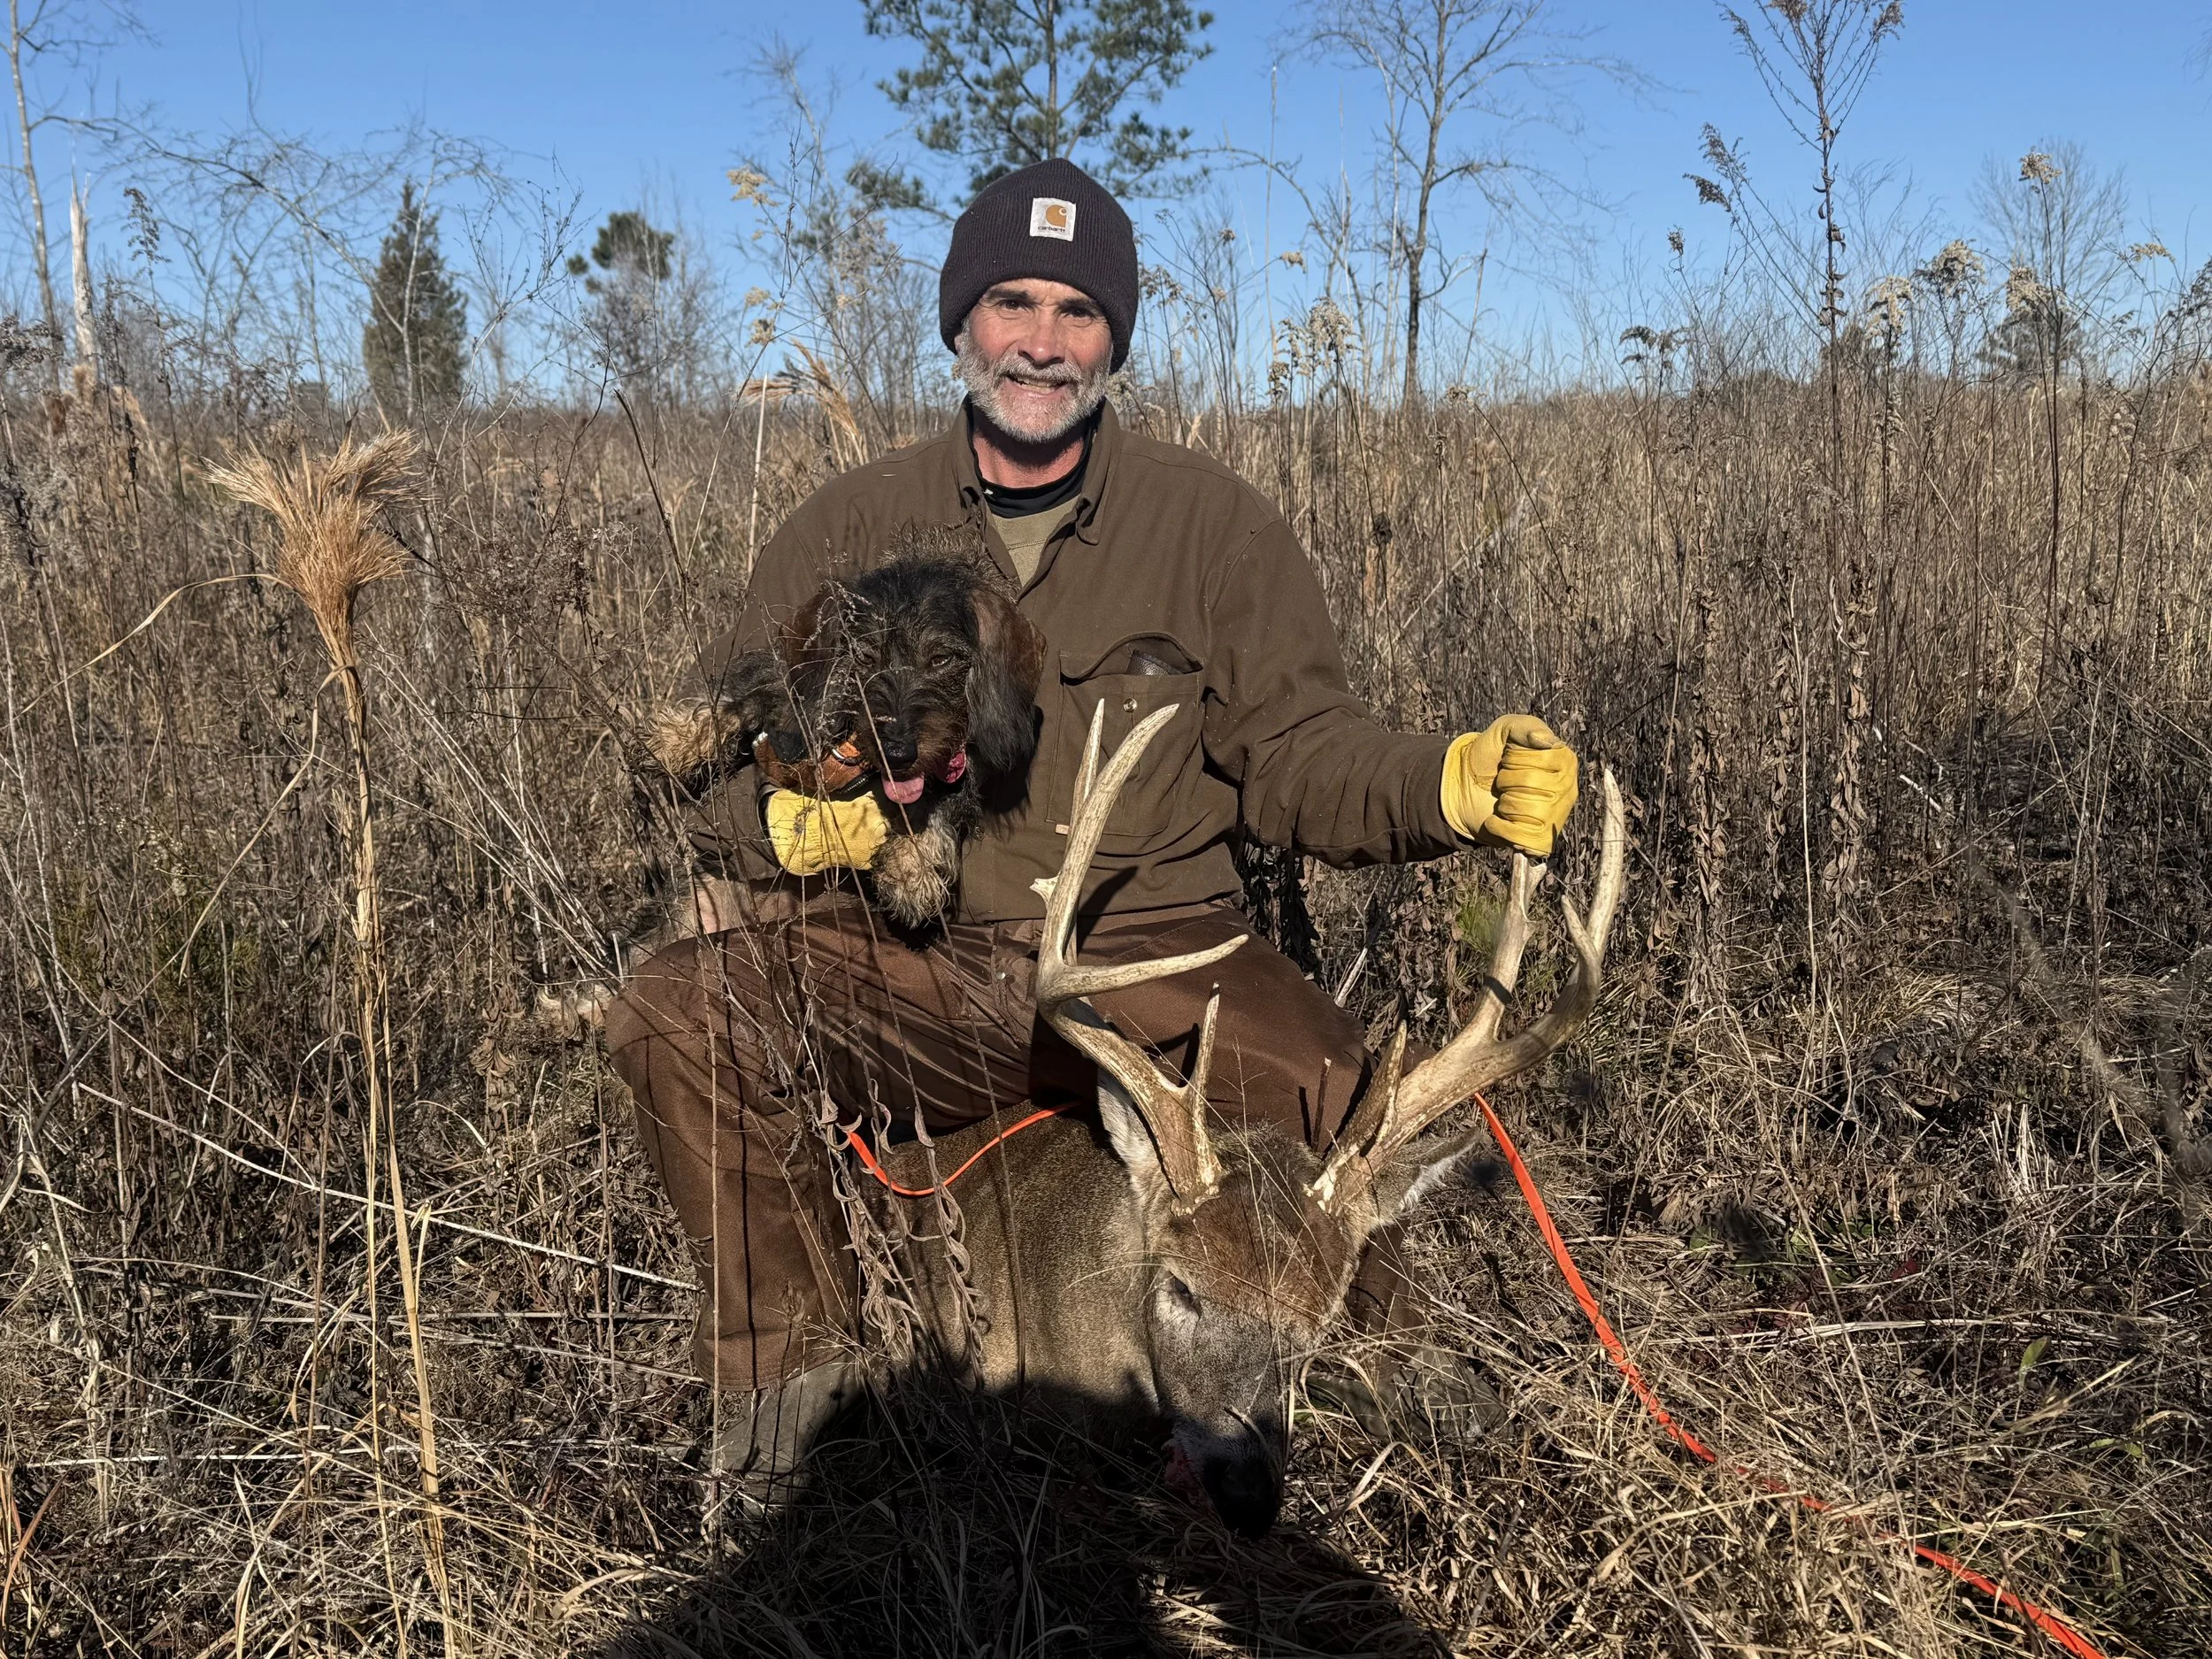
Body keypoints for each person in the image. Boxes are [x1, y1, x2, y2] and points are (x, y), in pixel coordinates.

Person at [606, 157, 1580, 1489]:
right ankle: (801, 1397)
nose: (1041, 344)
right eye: (1012, 302)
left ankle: (1389, 1364)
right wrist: (787, 829)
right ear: (962, 324)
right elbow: (718, 741)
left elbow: (1301, 752)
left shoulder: (1213, 527)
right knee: (678, 1011)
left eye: (1077, 312)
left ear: (1114, 337)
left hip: (1162, 958)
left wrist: (1444, 783)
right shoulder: (849, 525)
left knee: (1352, 1107)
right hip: (921, 957)